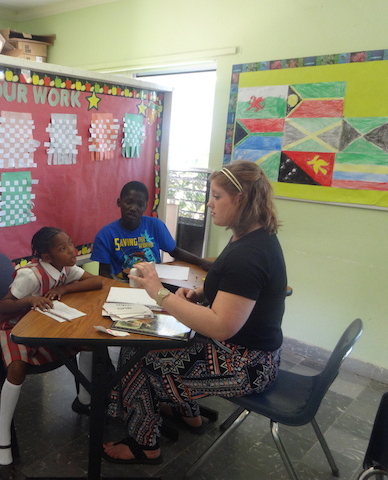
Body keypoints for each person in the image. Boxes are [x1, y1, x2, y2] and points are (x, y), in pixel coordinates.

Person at [102, 160, 287, 465]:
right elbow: (229, 289)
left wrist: (158, 291)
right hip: (247, 352)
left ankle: (144, 443)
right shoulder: (249, 236)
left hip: (246, 365)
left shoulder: (250, 255)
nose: (209, 203)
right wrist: (198, 293)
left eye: (216, 196)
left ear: (239, 198)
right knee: (153, 340)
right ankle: (186, 413)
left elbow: (219, 326)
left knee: (137, 357)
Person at [0, 227, 103, 468]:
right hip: (13, 326)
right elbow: (3, 306)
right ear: (47, 257)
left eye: (71, 244)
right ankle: (3, 436)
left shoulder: (66, 269)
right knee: (17, 368)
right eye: (63, 248)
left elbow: (96, 281)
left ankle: (84, 400)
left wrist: (63, 289)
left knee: (87, 342)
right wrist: (31, 300)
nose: (72, 251)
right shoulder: (30, 276)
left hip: (42, 323)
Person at [90, 180, 212, 281]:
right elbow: (103, 273)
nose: (133, 208)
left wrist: (201, 261)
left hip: (154, 281)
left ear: (145, 207)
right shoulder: (105, 235)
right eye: (128, 202)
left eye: (139, 204)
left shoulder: (155, 225)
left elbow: (174, 251)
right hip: (124, 283)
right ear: (119, 202)